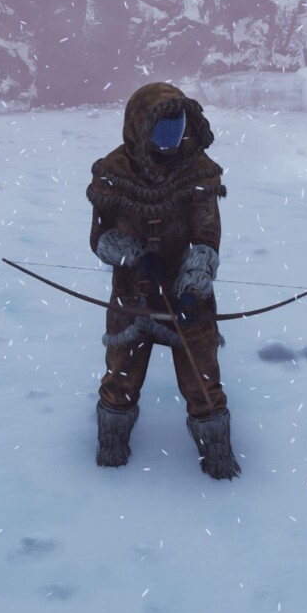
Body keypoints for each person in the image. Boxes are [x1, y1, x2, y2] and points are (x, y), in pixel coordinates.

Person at [87, 81, 238, 480]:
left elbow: (206, 236)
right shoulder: (112, 174)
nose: (170, 142)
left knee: (203, 382)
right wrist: (134, 255)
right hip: (131, 298)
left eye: (176, 130)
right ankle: (111, 451)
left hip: (187, 302)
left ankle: (217, 455)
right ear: (141, 128)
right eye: (161, 132)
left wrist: (192, 287)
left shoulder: (198, 171)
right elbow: (99, 239)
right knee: (119, 380)